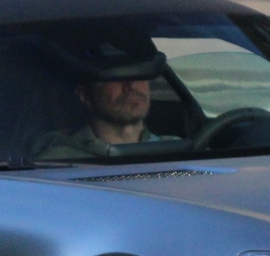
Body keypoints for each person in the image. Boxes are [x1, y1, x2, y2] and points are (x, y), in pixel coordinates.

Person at [29, 33, 173, 163]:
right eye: (116, 76)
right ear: (84, 95)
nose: (132, 85)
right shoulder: (56, 162)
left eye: (141, 74)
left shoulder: (178, 151)